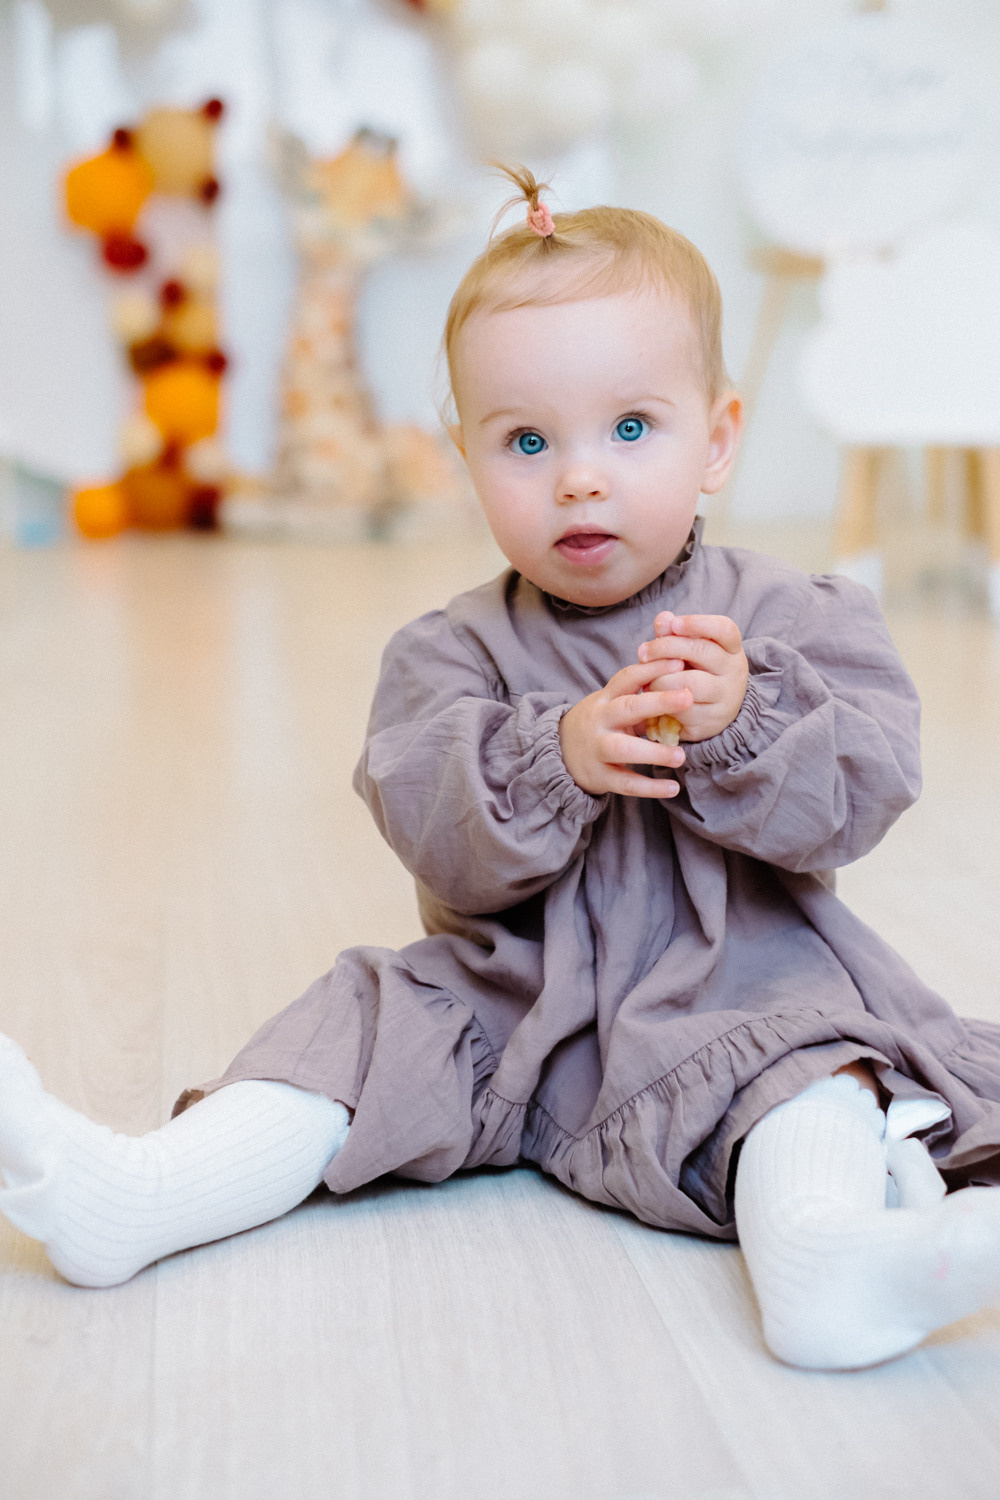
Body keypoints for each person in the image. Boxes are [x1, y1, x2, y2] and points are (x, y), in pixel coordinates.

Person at [3, 167, 1000, 1372]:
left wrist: (747, 720)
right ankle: (141, 1193)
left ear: (717, 439)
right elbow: (433, 827)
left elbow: (864, 788)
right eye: (526, 440)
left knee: (815, 1076)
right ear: (466, 460)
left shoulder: (789, 618)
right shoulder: (448, 653)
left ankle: (824, 1263)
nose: (578, 475)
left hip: (734, 989)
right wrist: (555, 756)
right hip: (510, 997)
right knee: (359, 1026)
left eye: (630, 429)